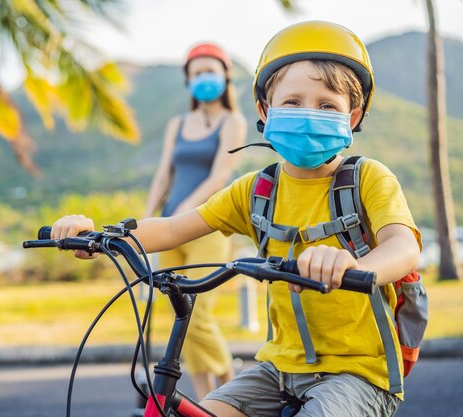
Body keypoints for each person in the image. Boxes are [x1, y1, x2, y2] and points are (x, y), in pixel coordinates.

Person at [52, 21, 422, 417]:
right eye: (292, 102)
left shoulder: (368, 179)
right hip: (277, 368)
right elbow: (175, 227)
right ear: (266, 110)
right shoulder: (256, 190)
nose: (307, 114)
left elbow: (403, 247)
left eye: (327, 105)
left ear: (352, 117)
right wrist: (99, 234)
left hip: (359, 373)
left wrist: (353, 264)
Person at [144, 42, 247, 400]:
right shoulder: (177, 123)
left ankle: (232, 391)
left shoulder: (233, 122)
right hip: (170, 226)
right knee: (179, 317)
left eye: (210, 70)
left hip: (206, 224)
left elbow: (219, 176)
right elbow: (163, 176)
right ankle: (206, 404)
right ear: (188, 80)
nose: (204, 77)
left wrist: (182, 214)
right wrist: (146, 221)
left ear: (225, 76)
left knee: (200, 315)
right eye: (197, 72)